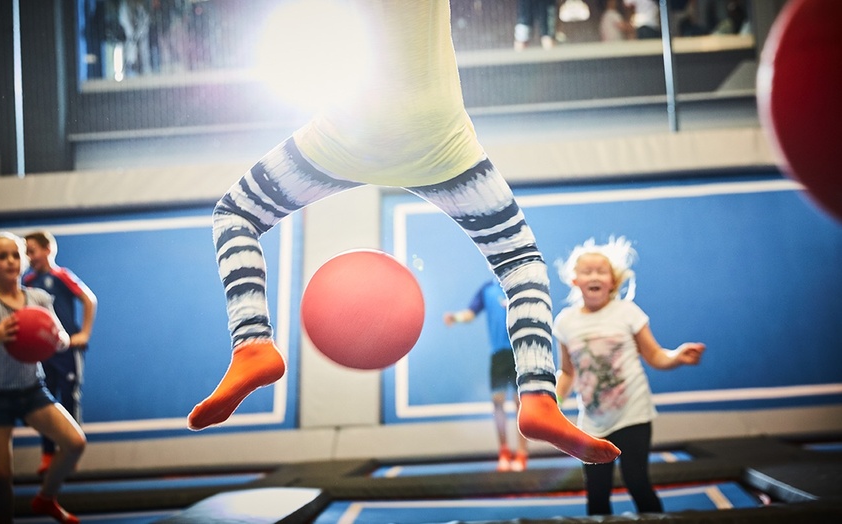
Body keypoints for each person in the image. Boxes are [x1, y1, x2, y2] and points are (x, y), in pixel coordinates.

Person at [186, 1, 620, 466]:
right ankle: (537, 395)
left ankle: (251, 343)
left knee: (236, 215)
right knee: (518, 264)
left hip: (348, 131)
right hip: (437, 139)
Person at [551, 237, 705, 515]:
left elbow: (656, 356)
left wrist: (677, 356)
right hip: (593, 421)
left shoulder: (627, 312)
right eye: (587, 271)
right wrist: (555, 400)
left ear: (613, 281)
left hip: (633, 414)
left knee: (637, 480)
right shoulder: (565, 322)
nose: (594, 275)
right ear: (575, 281)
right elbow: (568, 371)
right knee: (597, 490)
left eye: (601, 271)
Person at [0, 232, 86, 524]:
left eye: (15, 255)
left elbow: (58, 336)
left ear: (23, 261)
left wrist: (59, 340)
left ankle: (46, 499)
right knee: (0, 475)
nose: (10, 261)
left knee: (75, 443)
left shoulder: (37, 298)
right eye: (2, 256)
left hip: (32, 390)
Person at [23, 231, 98, 476]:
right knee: (46, 402)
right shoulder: (29, 282)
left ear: (47, 250)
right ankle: (47, 455)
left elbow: (89, 299)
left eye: (32, 250)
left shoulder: (61, 276)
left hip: (67, 350)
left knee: (68, 397)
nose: (29, 256)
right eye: (26, 252)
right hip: (44, 352)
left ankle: (69, 454)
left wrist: (83, 333)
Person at [444, 280, 529, 472]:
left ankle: (522, 454)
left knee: (520, 403)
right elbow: (470, 313)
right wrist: (455, 317)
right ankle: (504, 452)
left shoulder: (519, 284)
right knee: (498, 401)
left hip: (520, 352)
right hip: (498, 355)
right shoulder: (487, 289)